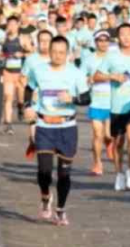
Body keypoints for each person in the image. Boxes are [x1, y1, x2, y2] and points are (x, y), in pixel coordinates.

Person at [24, 36, 91, 226]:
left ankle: (60, 210)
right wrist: (28, 106)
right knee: (44, 171)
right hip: (45, 126)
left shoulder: (75, 73)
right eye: (54, 52)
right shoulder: (39, 70)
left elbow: (87, 98)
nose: (58, 56)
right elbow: (29, 89)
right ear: (49, 51)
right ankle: (45, 197)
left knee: (64, 174)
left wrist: (73, 99)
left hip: (67, 128)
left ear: (68, 54)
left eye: (62, 52)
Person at [95, 23, 130, 191]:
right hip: (117, 106)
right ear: (118, 37)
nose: (126, 37)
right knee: (118, 143)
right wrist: (112, 76)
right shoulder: (110, 57)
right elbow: (97, 76)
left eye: (129, 33)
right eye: (122, 34)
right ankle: (119, 173)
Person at [81, 30, 114, 176]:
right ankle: (97, 163)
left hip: (113, 102)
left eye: (106, 40)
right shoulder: (88, 59)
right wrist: (87, 80)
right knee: (97, 134)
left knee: (108, 135)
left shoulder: (115, 58)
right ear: (95, 43)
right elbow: (81, 77)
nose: (103, 43)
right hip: (96, 102)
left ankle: (109, 142)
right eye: (100, 40)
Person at [1, 16, 30, 134]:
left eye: (14, 24)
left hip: (21, 73)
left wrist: (22, 54)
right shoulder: (4, 38)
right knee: (8, 97)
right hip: (7, 71)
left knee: (20, 98)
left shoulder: (23, 38)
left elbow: (32, 52)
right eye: (10, 24)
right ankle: (8, 124)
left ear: (18, 25)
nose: (11, 26)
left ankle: (20, 107)